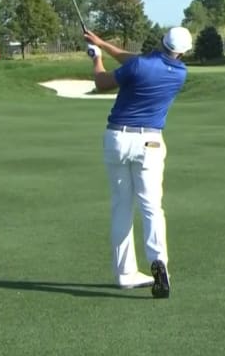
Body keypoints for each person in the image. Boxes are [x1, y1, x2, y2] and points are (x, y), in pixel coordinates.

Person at [83, 26, 193, 299]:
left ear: (162, 42)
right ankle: (160, 264)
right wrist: (103, 43)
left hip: (118, 138)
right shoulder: (180, 73)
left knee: (122, 205)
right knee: (151, 206)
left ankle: (125, 273)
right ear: (182, 52)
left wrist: (95, 56)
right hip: (151, 143)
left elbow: (102, 82)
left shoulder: (141, 65)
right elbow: (133, 61)